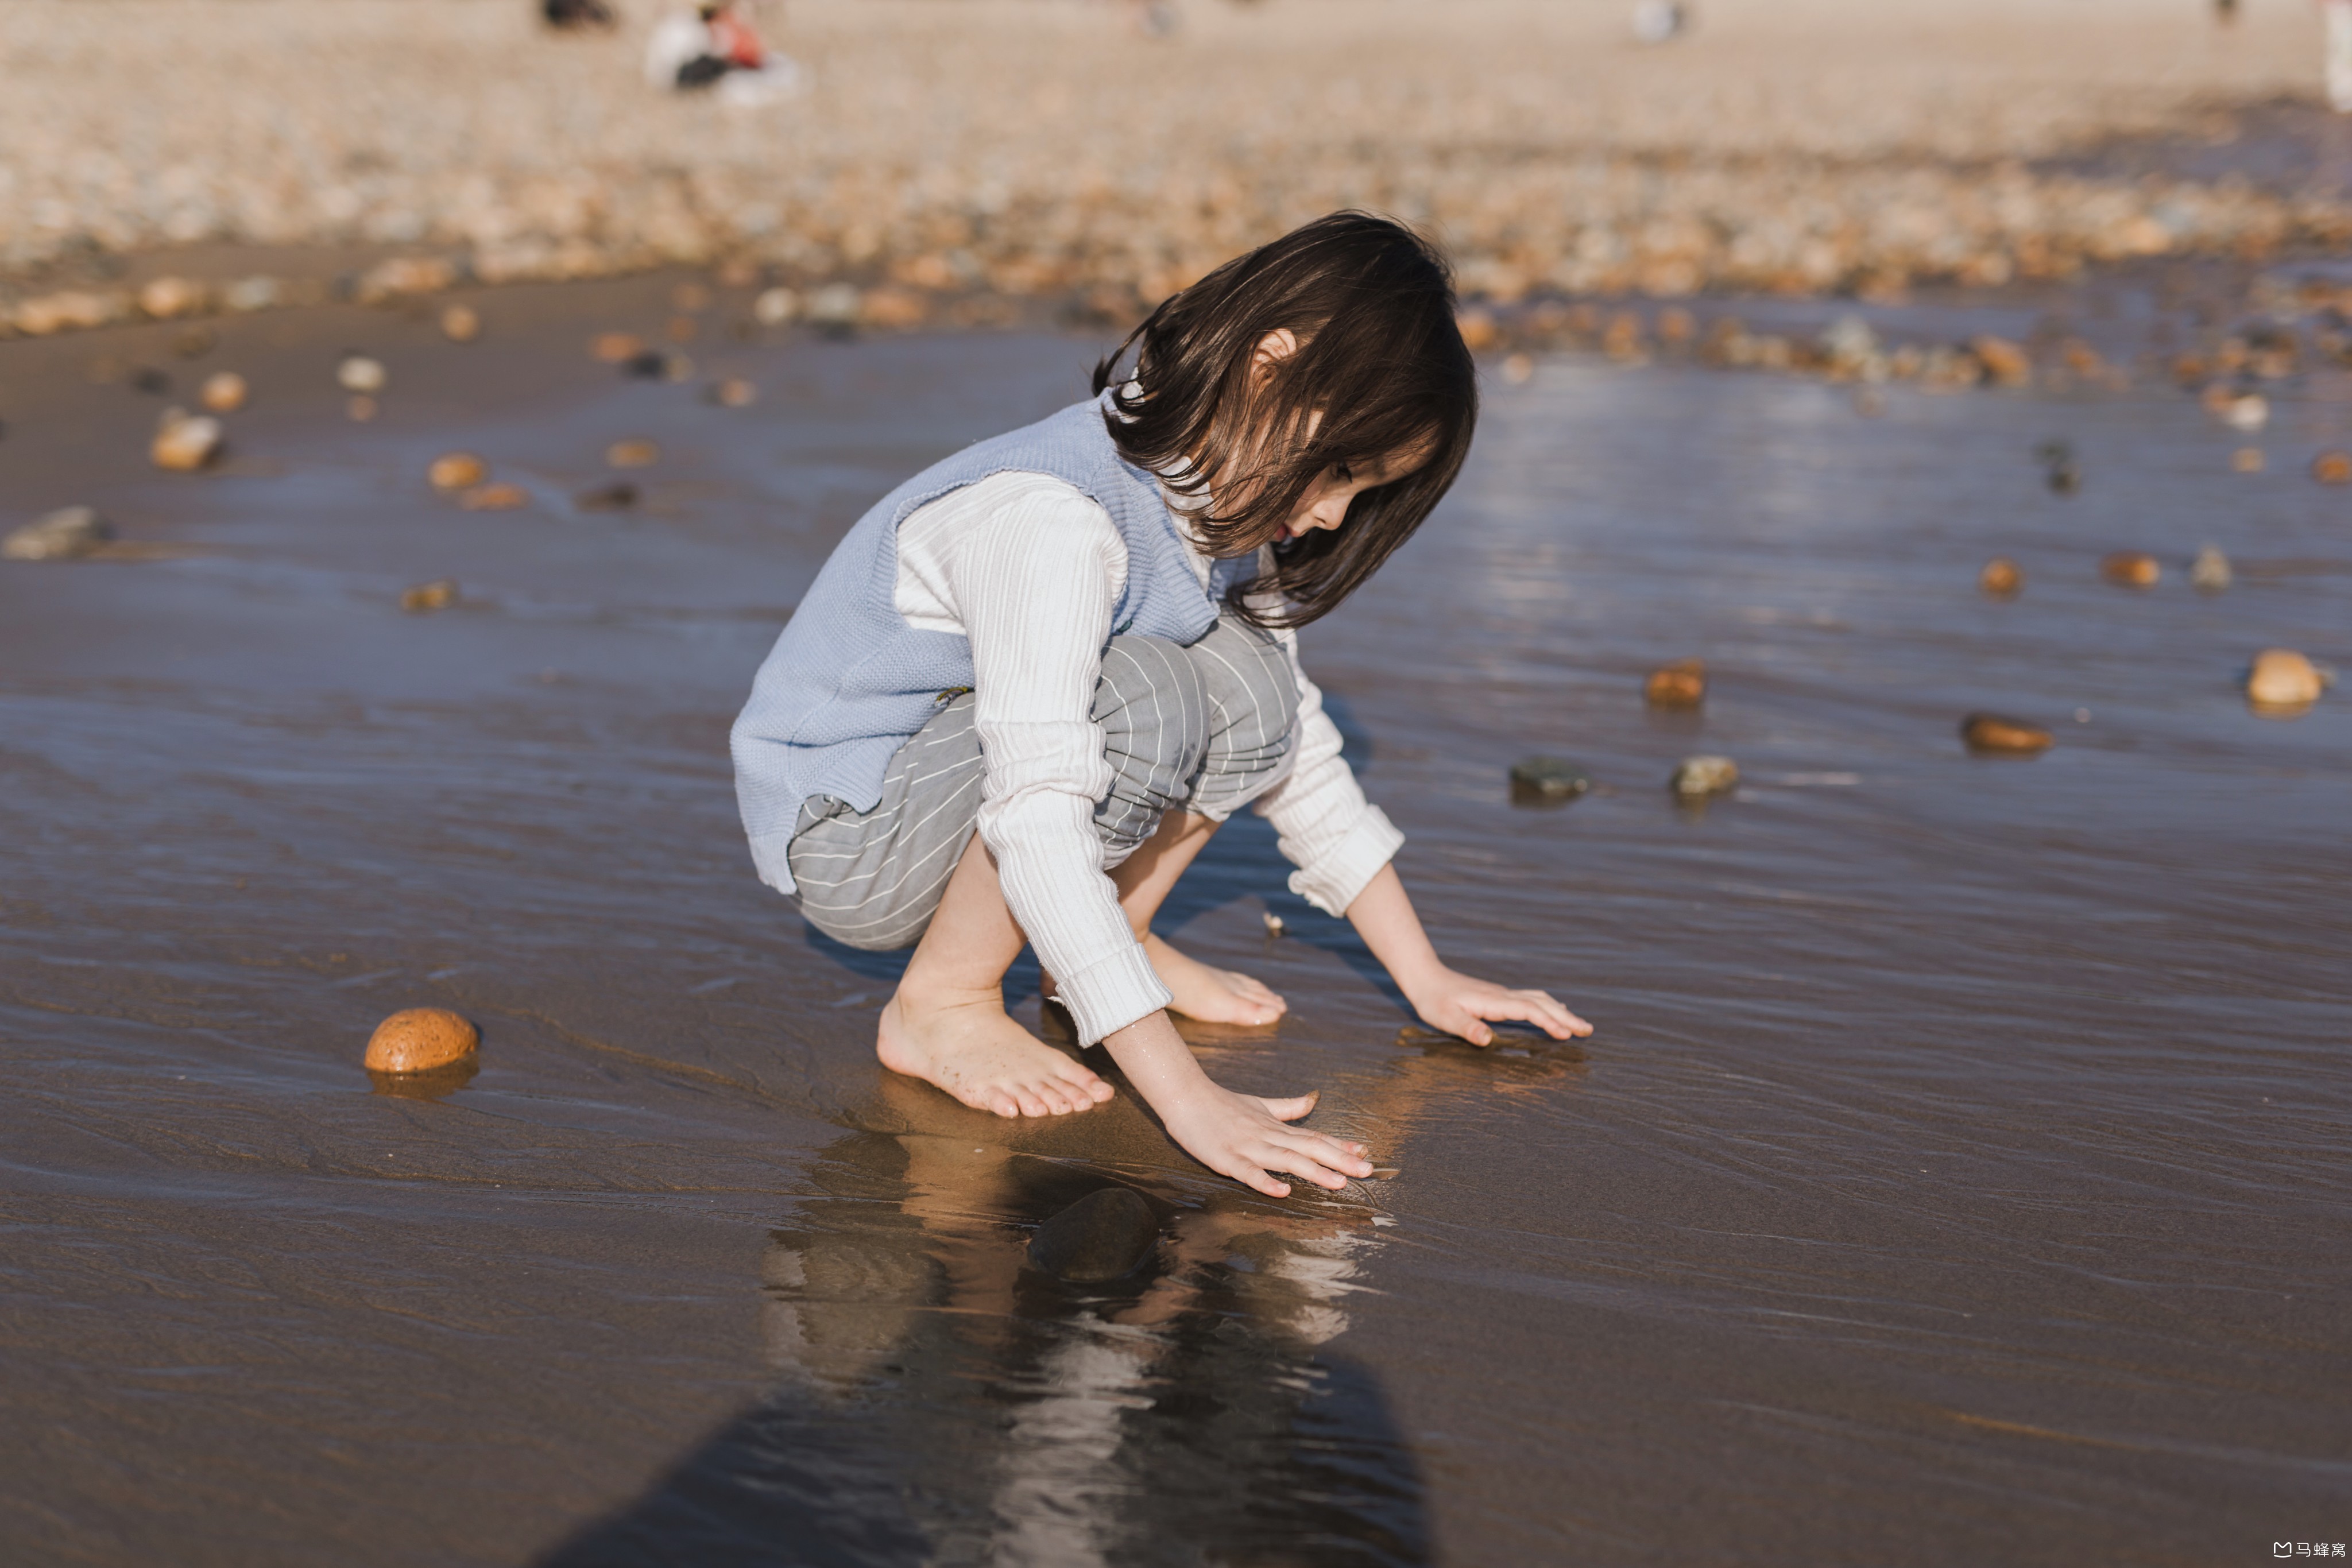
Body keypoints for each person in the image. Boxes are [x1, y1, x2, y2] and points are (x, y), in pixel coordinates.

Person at [730, 213, 1592, 1198]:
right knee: (1144, 691)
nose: (1330, 516)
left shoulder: (1214, 503)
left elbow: (1292, 742)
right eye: (1345, 469)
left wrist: (1427, 975)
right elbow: (1039, 805)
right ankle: (944, 1000)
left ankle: (1106, 944)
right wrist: (1187, 1102)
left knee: (1253, 681)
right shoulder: (1053, 519)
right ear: (1269, 370)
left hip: (955, 805)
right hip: (854, 832)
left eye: (1366, 492)